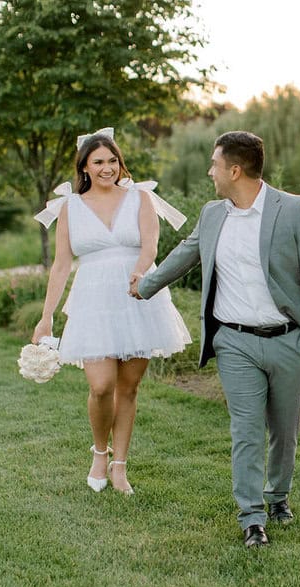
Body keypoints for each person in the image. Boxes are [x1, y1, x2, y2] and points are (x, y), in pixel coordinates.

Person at [131, 130, 300, 547]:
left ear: (234, 170)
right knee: (245, 430)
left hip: (289, 341)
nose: (210, 171)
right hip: (234, 342)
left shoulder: (295, 211)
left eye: (214, 164)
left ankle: (278, 496)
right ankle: (252, 517)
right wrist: (144, 285)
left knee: (283, 430)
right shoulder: (212, 214)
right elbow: (185, 254)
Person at [32, 127, 191, 495]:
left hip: (138, 296)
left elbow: (150, 245)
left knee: (128, 387)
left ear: (120, 163)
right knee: (101, 385)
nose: (108, 167)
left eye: (113, 160)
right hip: (93, 301)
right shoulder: (70, 206)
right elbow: (60, 264)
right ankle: (98, 453)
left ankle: (119, 465)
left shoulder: (141, 198)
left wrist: (140, 272)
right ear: (85, 167)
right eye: (98, 161)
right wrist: (46, 316)